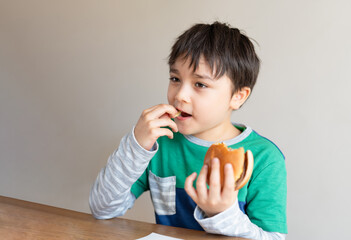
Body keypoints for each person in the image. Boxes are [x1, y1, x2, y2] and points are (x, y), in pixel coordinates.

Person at [89, 21, 287, 239]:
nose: (179, 95)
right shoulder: (160, 143)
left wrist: (221, 214)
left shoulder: (263, 158)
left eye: (200, 84)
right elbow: (102, 209)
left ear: (237, 96)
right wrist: (136, 145)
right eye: (175, 79)